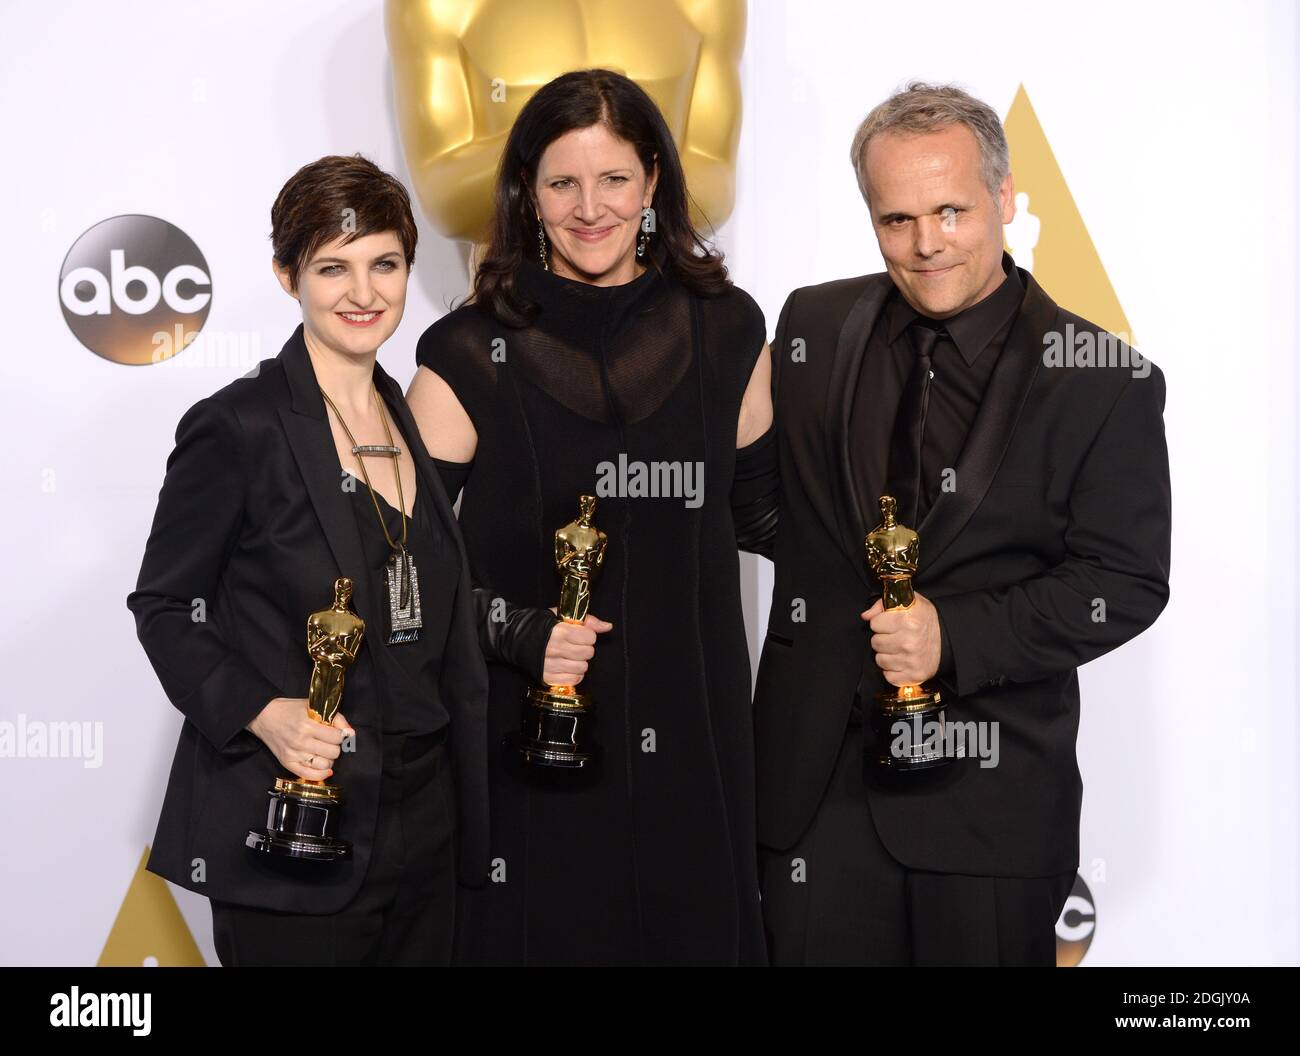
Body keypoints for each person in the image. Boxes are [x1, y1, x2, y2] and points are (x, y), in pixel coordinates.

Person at [754, 82, 1171, 965]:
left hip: (991, 810)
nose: (926, 242)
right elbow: (772, 511)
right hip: (812, 798)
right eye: (896, 218)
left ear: (1007, 198)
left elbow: (1125, 580)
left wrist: (956, 636)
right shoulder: (812, 325)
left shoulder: (1104, 379)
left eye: (951, 210)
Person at [405, 68, 776, 965]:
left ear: (652, 180)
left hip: (696, 738)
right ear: (527, 194)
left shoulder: (727, 329)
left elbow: (769, 517)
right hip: (534, 740)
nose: (590, 208)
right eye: (563, 183)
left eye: (613, 179)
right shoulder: (465, 351)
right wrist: (521, 631)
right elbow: (407, 569)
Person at [126, 154, 488, 966]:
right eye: (334, 267)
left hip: (428, 825)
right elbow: (162, 608)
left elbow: (431, 606)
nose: (364, 292)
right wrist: (263, 711)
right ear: (289, 275)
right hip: (296, 829)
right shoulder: (238, 427)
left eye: (384, 264)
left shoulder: (405, 415)